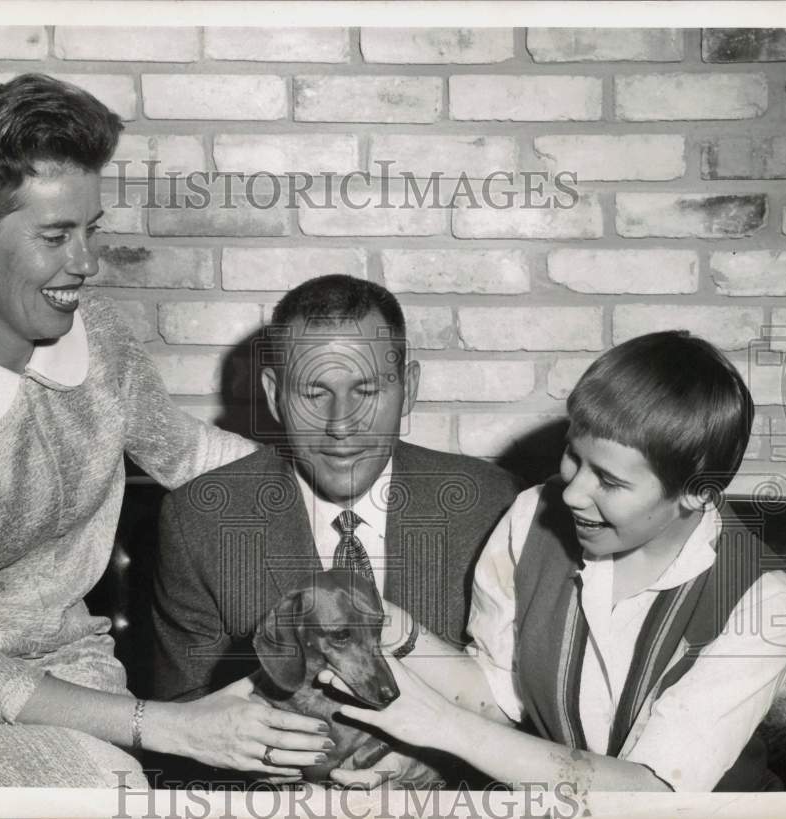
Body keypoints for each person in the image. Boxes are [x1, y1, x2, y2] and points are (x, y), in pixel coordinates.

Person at [0, 73, 330, 787]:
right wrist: (171, 724)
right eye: (55, 236)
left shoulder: (100, 343)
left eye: (91, 231)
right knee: (98, 785)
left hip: (76, 673)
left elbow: (189, 452)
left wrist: (342, 484)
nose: (85, 263)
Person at [319, 331, 786, 792]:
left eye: (609, 482)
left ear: (696, 494)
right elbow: (497, 695)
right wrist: (399, 632)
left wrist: (443, 727)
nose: (571, 492)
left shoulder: (763, 601)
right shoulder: (532, 515)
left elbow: (653, 793)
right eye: (573, 456)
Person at [149, 274, 520, 787]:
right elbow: (178, 724)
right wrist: (247, 758)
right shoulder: (202, 521)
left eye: (365, 390)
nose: (341, 424)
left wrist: (444, 760)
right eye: (314, 392)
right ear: (276, 397)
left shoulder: (493, 506)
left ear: (407, 389)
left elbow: (537, 712)